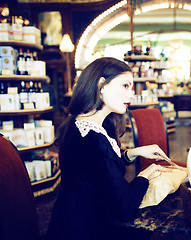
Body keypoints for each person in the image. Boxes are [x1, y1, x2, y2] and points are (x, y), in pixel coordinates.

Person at [47, 57, 171, 240]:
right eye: (125, 86)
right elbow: (125, 206)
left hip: (67, 220)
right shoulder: (94, 140)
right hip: (87, 228)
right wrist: (146, 174)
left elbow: (97, 170)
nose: (131, 95)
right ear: (101, 85)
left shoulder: (78, 124)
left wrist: (134, 152)